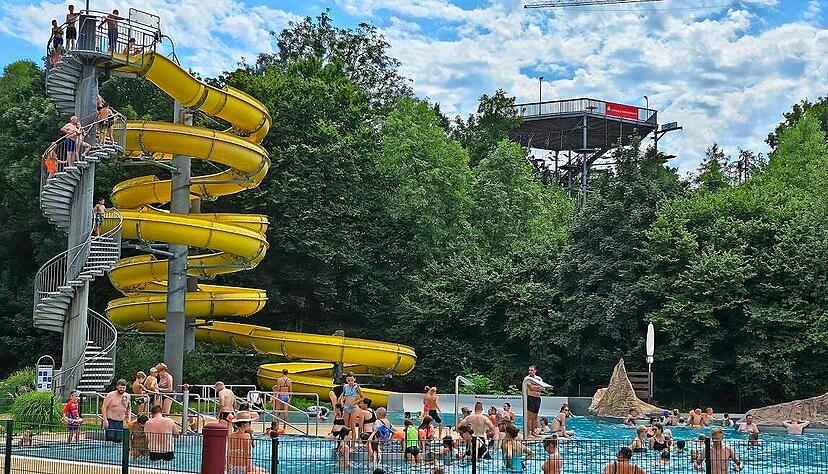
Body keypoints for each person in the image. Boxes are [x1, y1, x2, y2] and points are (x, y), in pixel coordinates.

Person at [101, 379, 131, 443]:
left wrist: (129, 419)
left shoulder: (127, 396)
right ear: (117, 387)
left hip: (120, 421)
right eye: (120, 387)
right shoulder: (110, 395)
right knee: (110, 439)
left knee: (118, 440)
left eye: (123, 387)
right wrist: (105, 419)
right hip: (111, 420)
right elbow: (104, 406)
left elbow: (129, 408)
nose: (122, 389)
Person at [526, 365, 545, 436]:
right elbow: (531, 388)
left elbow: (543, 388)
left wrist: (536, 387)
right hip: (531, 398)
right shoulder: (527, 378)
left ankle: (533, 431)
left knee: (535, 416)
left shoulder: (538, 378)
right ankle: (528, 432)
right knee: (529, 416)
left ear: (535, 371)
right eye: (529, 370)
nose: (530, 371)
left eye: (531, 370)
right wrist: (538, 387)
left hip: (537, 398)